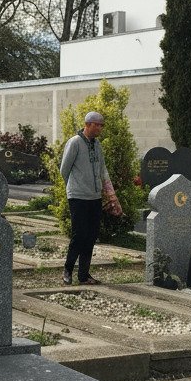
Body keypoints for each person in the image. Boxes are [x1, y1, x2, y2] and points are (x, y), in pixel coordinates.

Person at [59, 111, 111, 286]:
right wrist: (75, 186)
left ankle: (84, 275)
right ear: (88, 124)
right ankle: (67, 269)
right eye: (98, 125)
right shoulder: (75, 142)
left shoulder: (97, 145)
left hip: (94, 197)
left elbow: (103, 169)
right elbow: (64, 169)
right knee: (79, 235)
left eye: (102, 125)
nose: (100, 128)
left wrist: (107, 192)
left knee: (91, 235)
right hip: (78, 196)